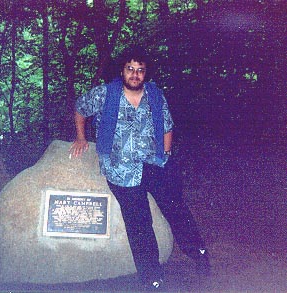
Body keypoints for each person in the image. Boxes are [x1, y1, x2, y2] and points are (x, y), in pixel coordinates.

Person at [69, 46, 210, 290]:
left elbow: (167, 125)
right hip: (120, 169)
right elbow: (80, 108)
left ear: (146, 73)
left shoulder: (155, 95)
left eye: (140, 70)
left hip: (154, 163)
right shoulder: (104, 94)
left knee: (176, 209)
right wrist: (81, 137)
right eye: (130, 69)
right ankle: (153, 278)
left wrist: (165, 154)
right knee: (139, 224)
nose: (135, 74)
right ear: (122, 71)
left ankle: (198, 253)